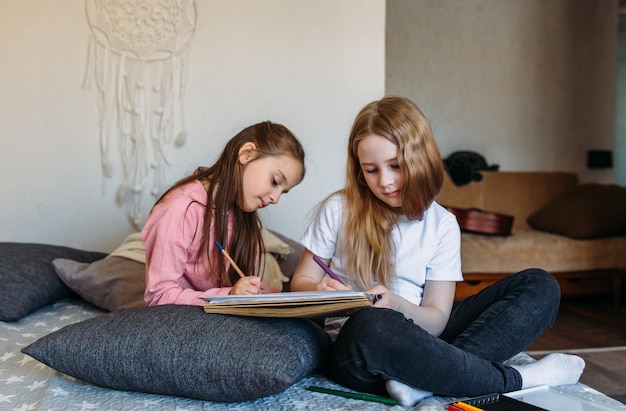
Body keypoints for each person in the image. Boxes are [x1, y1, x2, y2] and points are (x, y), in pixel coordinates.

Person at [290, 96, 585, 406]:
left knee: (540, 285)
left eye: (395, 166)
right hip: (362, 347)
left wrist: (398, 306)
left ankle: (424, 382)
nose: (385, 181)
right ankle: (518, 379)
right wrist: (321, 291)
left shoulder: (442, 223)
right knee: (372, 323)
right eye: (371, 170)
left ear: (419, 159)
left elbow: (436, 320)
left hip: (425, 336)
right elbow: (301, 282)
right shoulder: (339, 209)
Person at [142, 121, 305, 306]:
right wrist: (229, 295)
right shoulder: (180, 208)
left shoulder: (243, 213)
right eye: (275, 182)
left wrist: (290, 297)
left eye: (283, 192)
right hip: (182, 320)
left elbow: (243, 287)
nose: (275, 199)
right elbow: (159, 295)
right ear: (246, 154)